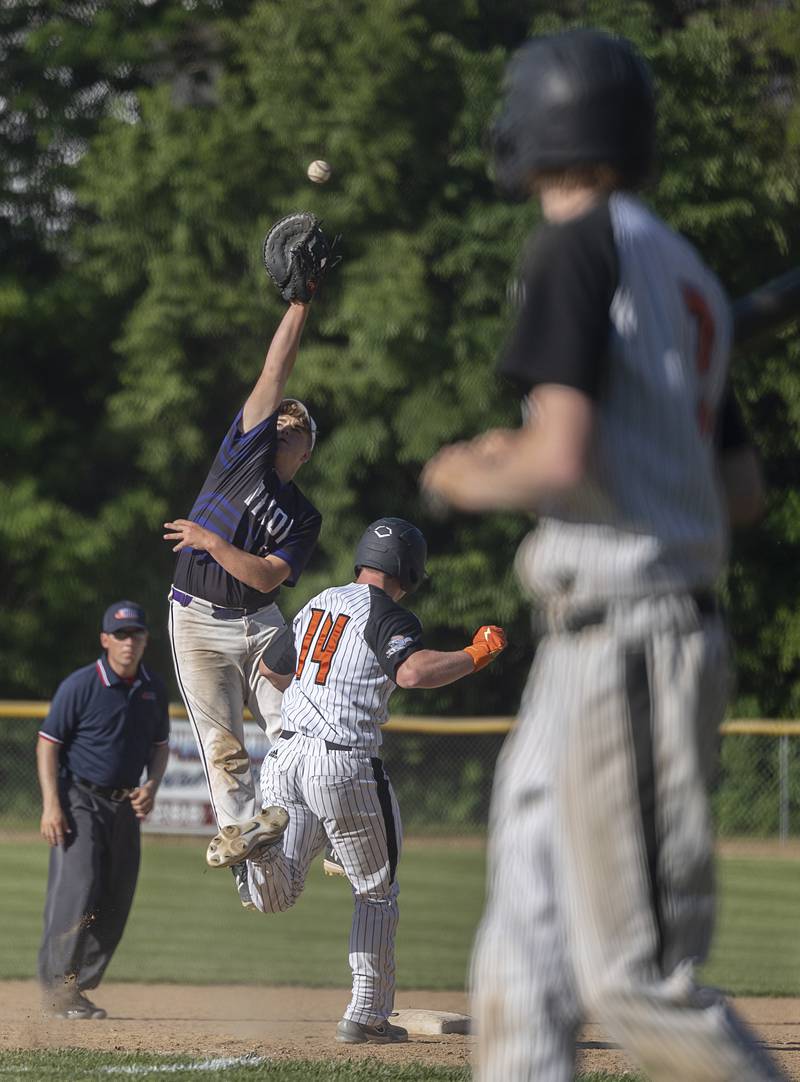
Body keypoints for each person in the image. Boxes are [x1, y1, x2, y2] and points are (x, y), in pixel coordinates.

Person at [422, 28, 785, 1082]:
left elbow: (559, 456)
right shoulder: (683, 270)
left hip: (627, 635)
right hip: (606, 641)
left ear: (533, 127)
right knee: (523, 949)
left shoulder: (571, 244)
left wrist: (465, 468)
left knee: (632, 979)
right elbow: (742, 494)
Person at [204, 518, 506, 1044]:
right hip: (342, 763)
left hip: (285, 755)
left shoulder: (321, 600)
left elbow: (274, 671)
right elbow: (411, 673)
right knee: (375, 892)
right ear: (409, 569)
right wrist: (475, 654)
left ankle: (259, 850)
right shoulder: (389, 613)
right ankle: (365, 1016)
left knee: (277, 894)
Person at [164, 301, 322, 908]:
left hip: (260, 627)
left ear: (306, 452)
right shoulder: (242, 456)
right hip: (197, 621)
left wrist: (211, 541)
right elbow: (274, 369)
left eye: (297, 427)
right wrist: (300, 303)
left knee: (296, 727)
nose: (283, 423)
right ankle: (244, 842)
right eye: (279, 419)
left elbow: (264, 579)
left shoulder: (304, 515)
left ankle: (306, 827)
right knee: (223, 744)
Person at [37, 601, 170, 1020]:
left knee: (116, 897)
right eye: (121, 635)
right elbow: (48, 744)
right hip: (79, 799)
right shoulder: (81, 685)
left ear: (146, 640)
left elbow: (160, 747)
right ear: (105, 640)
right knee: (78, 889)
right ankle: (57, 989)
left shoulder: (153, 687)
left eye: (136, 634)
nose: (129, 643)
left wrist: (152, 784)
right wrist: (51, 806)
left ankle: (76, 988)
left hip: (125, 803)